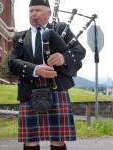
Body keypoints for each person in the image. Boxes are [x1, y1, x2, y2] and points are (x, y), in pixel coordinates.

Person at [8, 0, 86, 150]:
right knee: (30, 140)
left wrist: (64, 57)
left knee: (58, 140)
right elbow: (12, 62)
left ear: (49, 13)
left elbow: (80, 51)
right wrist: (35, 69)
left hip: (57, 88)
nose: (33, 14)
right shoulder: (20, 36)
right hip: (30, 90)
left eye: (37, 10)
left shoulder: (61, 29)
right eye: (31, 11)